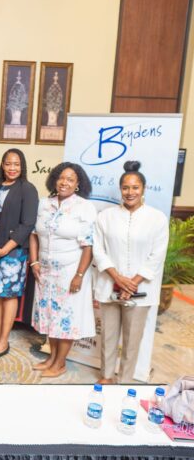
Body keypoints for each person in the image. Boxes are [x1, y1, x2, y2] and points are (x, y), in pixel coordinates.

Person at [93, 161, 168, 384]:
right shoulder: (105, 216)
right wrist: (118, 278)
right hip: (109, 285)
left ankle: (124, 381)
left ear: (143, 189)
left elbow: (157, 255)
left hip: (141, 290)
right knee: (108, 336)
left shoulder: (157, 218)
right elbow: (98, 249)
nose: (130, 192)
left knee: (132, 340)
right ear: (120, 189)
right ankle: (106, 376)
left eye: (135, 187)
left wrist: (132, 283)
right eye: (125, 187)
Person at [29, 162, 96, 378]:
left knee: (66, 319)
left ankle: (60, 363)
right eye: (61, 177)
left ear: (78, 184)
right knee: (51, 316)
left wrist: (79, 275)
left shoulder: (84, 207)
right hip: (45, 271)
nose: (64, 182)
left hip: (70, 272)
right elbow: (33, 234)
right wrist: (34, 262)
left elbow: (88, 245)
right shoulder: (44, 203)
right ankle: (51, 358)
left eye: (70, 179)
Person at [0, 149, 38, 359]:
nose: (12, 168)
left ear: (22, 166)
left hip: (13, 251)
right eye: (8, 163)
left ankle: (4, 341)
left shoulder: (27, 189)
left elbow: (28, 224)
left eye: (16, 164)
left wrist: (5, 249)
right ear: (2, 165)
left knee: (9, 294)